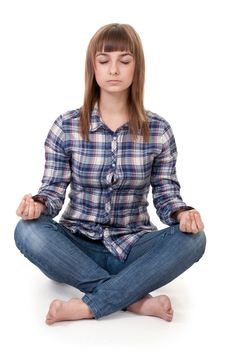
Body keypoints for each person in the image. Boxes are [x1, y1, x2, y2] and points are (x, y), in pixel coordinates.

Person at [14, 23, 206, 325]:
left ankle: (89, 305)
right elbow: (52, 191)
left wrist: (183, 214)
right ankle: (134, 300)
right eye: (104, 60)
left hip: (133, 246)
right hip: (75, 247)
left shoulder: (159, 131)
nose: (113, 69)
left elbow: (167, 196)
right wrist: (36, 205)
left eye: (124, 61)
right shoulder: (65, 126)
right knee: (27, 231)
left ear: (136, 67)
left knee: (194, 240)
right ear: (93, 67)